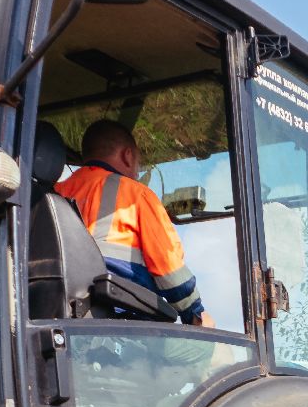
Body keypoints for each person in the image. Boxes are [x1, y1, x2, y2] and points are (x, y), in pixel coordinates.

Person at [55, 119, 213, 327]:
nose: (138, 172)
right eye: (139, 163)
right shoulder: (136, 194)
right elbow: (169, 270)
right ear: (127, 156)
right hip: (122, 321)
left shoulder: (54, 193)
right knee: (214, 352)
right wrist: (196, 314)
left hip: (62, 313)